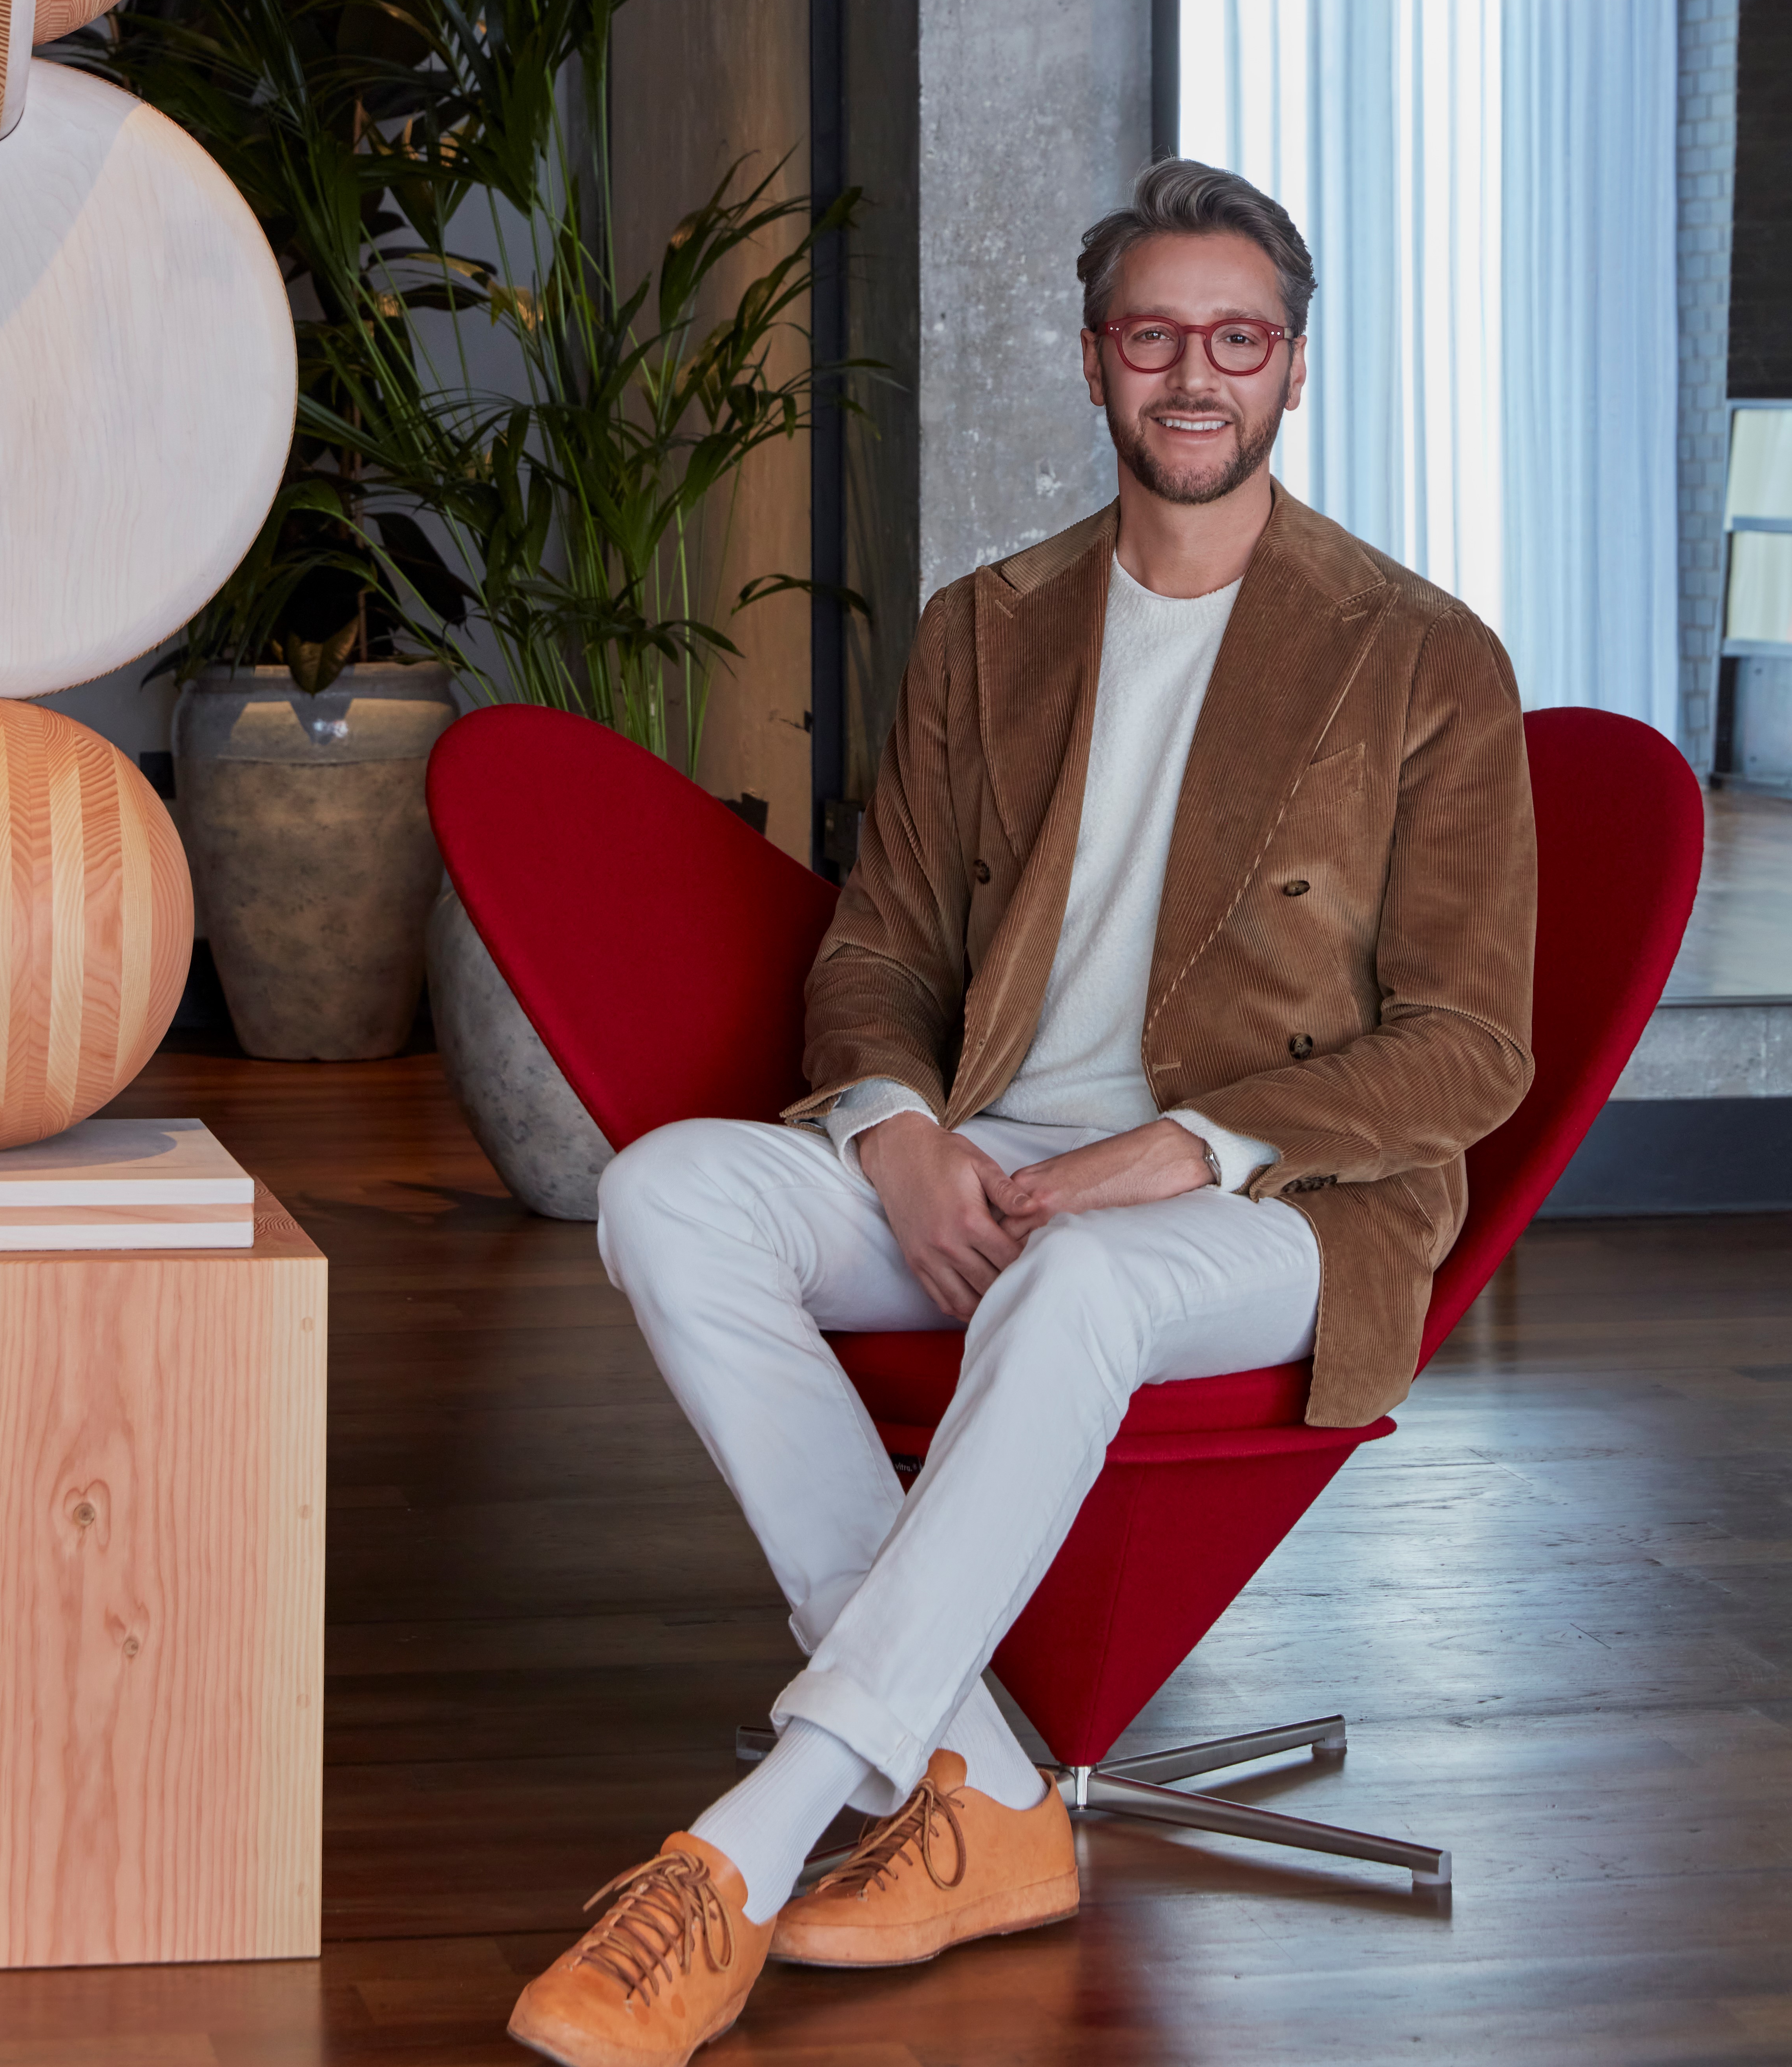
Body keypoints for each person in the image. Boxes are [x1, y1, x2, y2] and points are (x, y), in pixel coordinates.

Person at [507, 159, 1537, 2067]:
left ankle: (746, 1848)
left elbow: (1475, 1046)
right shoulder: (990, 631)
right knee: (670, 1194)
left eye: (1238, 340)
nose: (1195, 376)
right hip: (988, 1171)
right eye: (1156, 337)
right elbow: (876, 950)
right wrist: (898, 1128)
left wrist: (1186, 1147)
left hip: (1278, 1211)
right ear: (1093, 362)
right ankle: (971, 1779)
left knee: (1081, 1295)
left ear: (1295, 372)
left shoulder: (1420, 659)